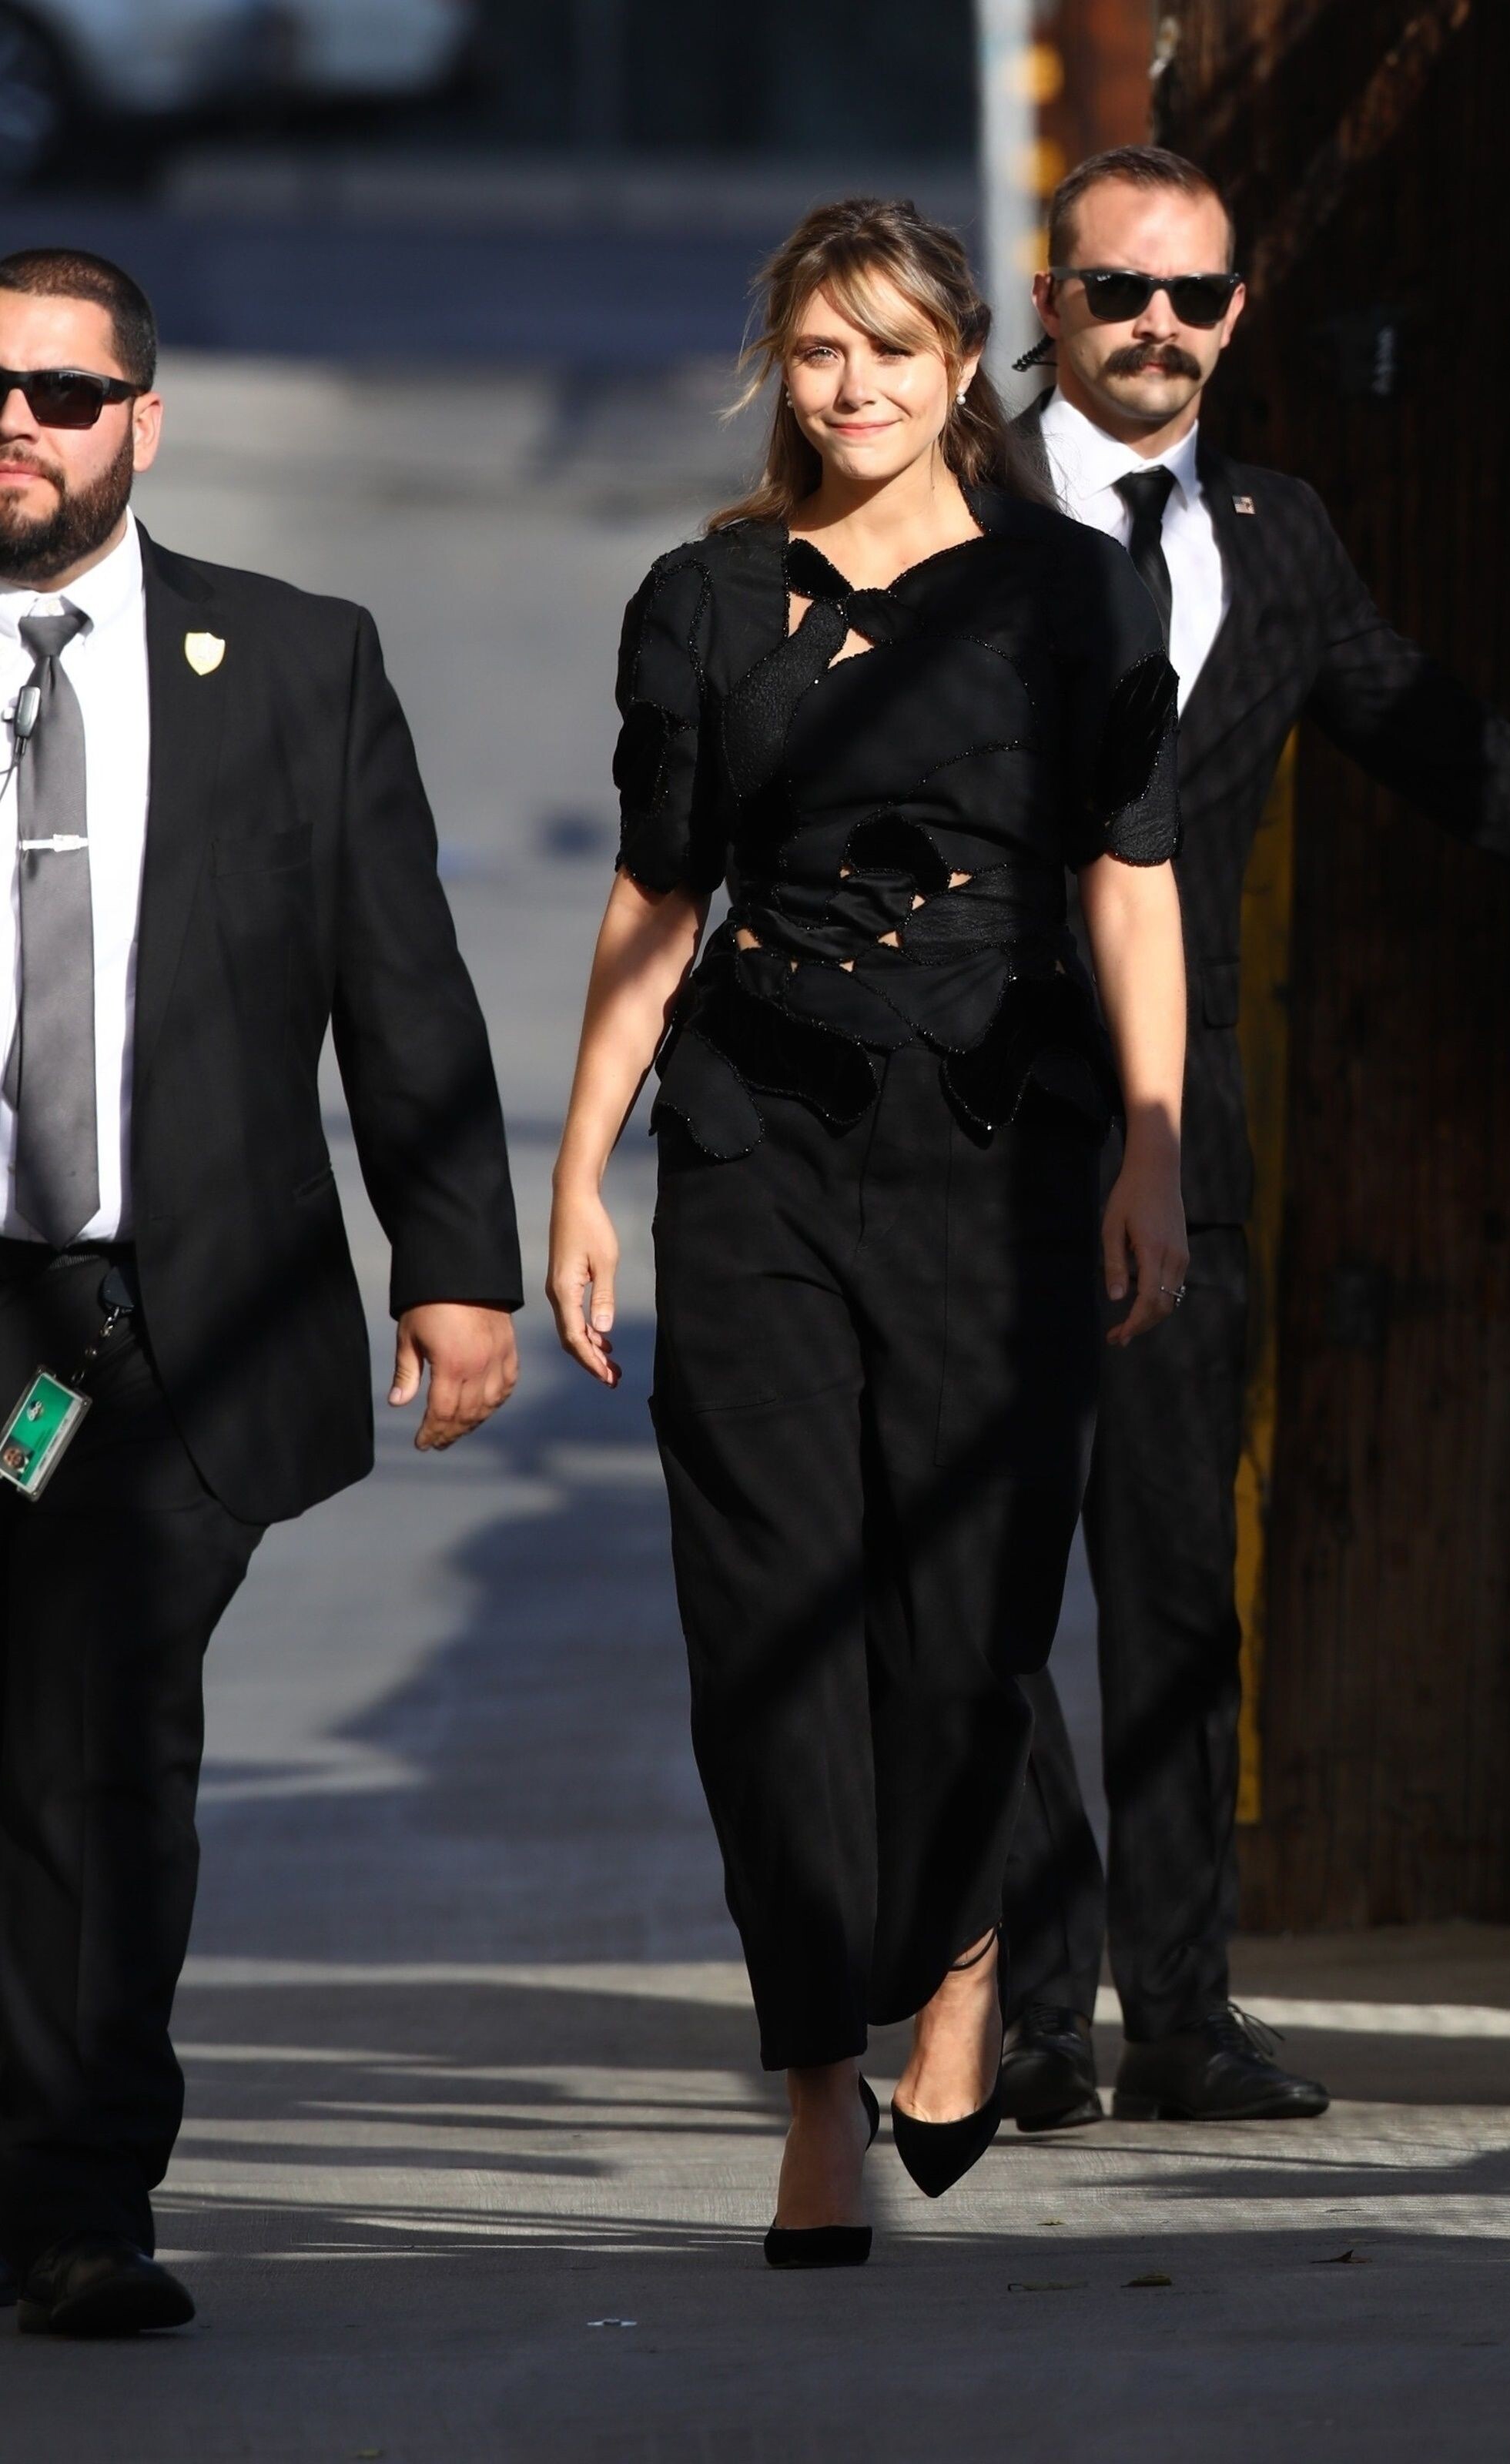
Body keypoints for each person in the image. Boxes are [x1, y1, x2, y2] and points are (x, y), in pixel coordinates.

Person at [549, 197, 1187, 2268]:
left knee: (961, 1624)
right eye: (821, 351)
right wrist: (579, 1165)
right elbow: (658, 895)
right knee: (765, 1632)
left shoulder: (1077, 596)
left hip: (1004, 1151)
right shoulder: (704, 601)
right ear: (782, 369)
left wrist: (1154, 1150)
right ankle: (819, 2081)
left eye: (893, 349)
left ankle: (965, 1953)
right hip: (758, 1143)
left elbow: (1128, 876)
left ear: (961, 360)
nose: (856, 388)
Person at [997, 146, 1510, 2134]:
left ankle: (1183, 2014)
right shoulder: (944, 508)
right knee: (978, 1597)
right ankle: (1028, 2010)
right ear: (1051, 297)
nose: (1158, 327)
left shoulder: (1278, 538)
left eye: (1194, 296)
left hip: (1180, 1151)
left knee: (1179, 1591)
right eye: (1120, 291)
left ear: (1238, 313)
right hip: (961, 1142)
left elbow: (1450, 750)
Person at [0, 249, 522, 2337]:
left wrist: (454, 1267)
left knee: (104, 1750)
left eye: (63, 393)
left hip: (168, 1318)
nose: (18, 424)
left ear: (144, 419)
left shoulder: (293, 662)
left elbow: (401, 986)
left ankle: (78, 2195)